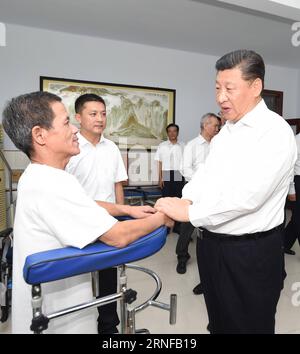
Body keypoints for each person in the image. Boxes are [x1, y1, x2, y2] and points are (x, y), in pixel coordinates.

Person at [2, 91, 173, 334]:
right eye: (65, 123)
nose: (73, 130)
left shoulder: (38, 175)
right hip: (58, 317)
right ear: (39, 135)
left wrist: (126, 209)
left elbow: (87, 204)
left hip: (54, 303)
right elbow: (118, 237)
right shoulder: (54, 182)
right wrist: (162, 217)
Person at [155, 49, 297, 334]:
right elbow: (206, 176)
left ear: (255, 86)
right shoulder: (226, 133)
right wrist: (184, 199)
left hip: (250, 251)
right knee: (218, 323)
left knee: (249, 327)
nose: (220, 97)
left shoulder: (274, 132)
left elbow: (249, 197)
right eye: (217, 88)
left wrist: (189, 212)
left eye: (229, 88)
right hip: (211, 247)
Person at [66, 93, 127, 334]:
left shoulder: (111, 147)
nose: (100, 119)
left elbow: (117, 185)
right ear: (78, 117)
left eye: (103, 114)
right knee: (77, 279)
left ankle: (108, 324)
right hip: (77, 222)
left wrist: (122, 219)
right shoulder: (70, 147)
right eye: (93, 114)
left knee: (108, 277)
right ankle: (78, 325)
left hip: (108, 222)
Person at [176, 113, 220, 287]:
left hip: (214, 194)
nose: (218, 129)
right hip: (195, 192)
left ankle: (209, 265)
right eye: (216, 126)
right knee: (187, 227)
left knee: (210, 229)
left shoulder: (219, 144)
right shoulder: (192, 146)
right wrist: (201, 183)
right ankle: (182, 256)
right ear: (205, 125)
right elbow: (184, 168)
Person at [155, 123, 184, 233]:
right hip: (166, 173)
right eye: (170, 131)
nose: (172, 133)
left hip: (178, 173)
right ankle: (166, 227)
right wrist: (160, 178)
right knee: (166, 201)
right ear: (167, 133)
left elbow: (185, 163)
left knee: (178, 201)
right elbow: (160, 162)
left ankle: (177, 226)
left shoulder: (183, 146)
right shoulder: (162, 146)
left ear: (177, 132)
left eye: (174, 131)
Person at [284, 132, 300, 255]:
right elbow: (289, 167)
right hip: (298, 180)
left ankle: (284, 243)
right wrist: (291, 189)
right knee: (298, 217)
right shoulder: (296, 140)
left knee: (296, 217)